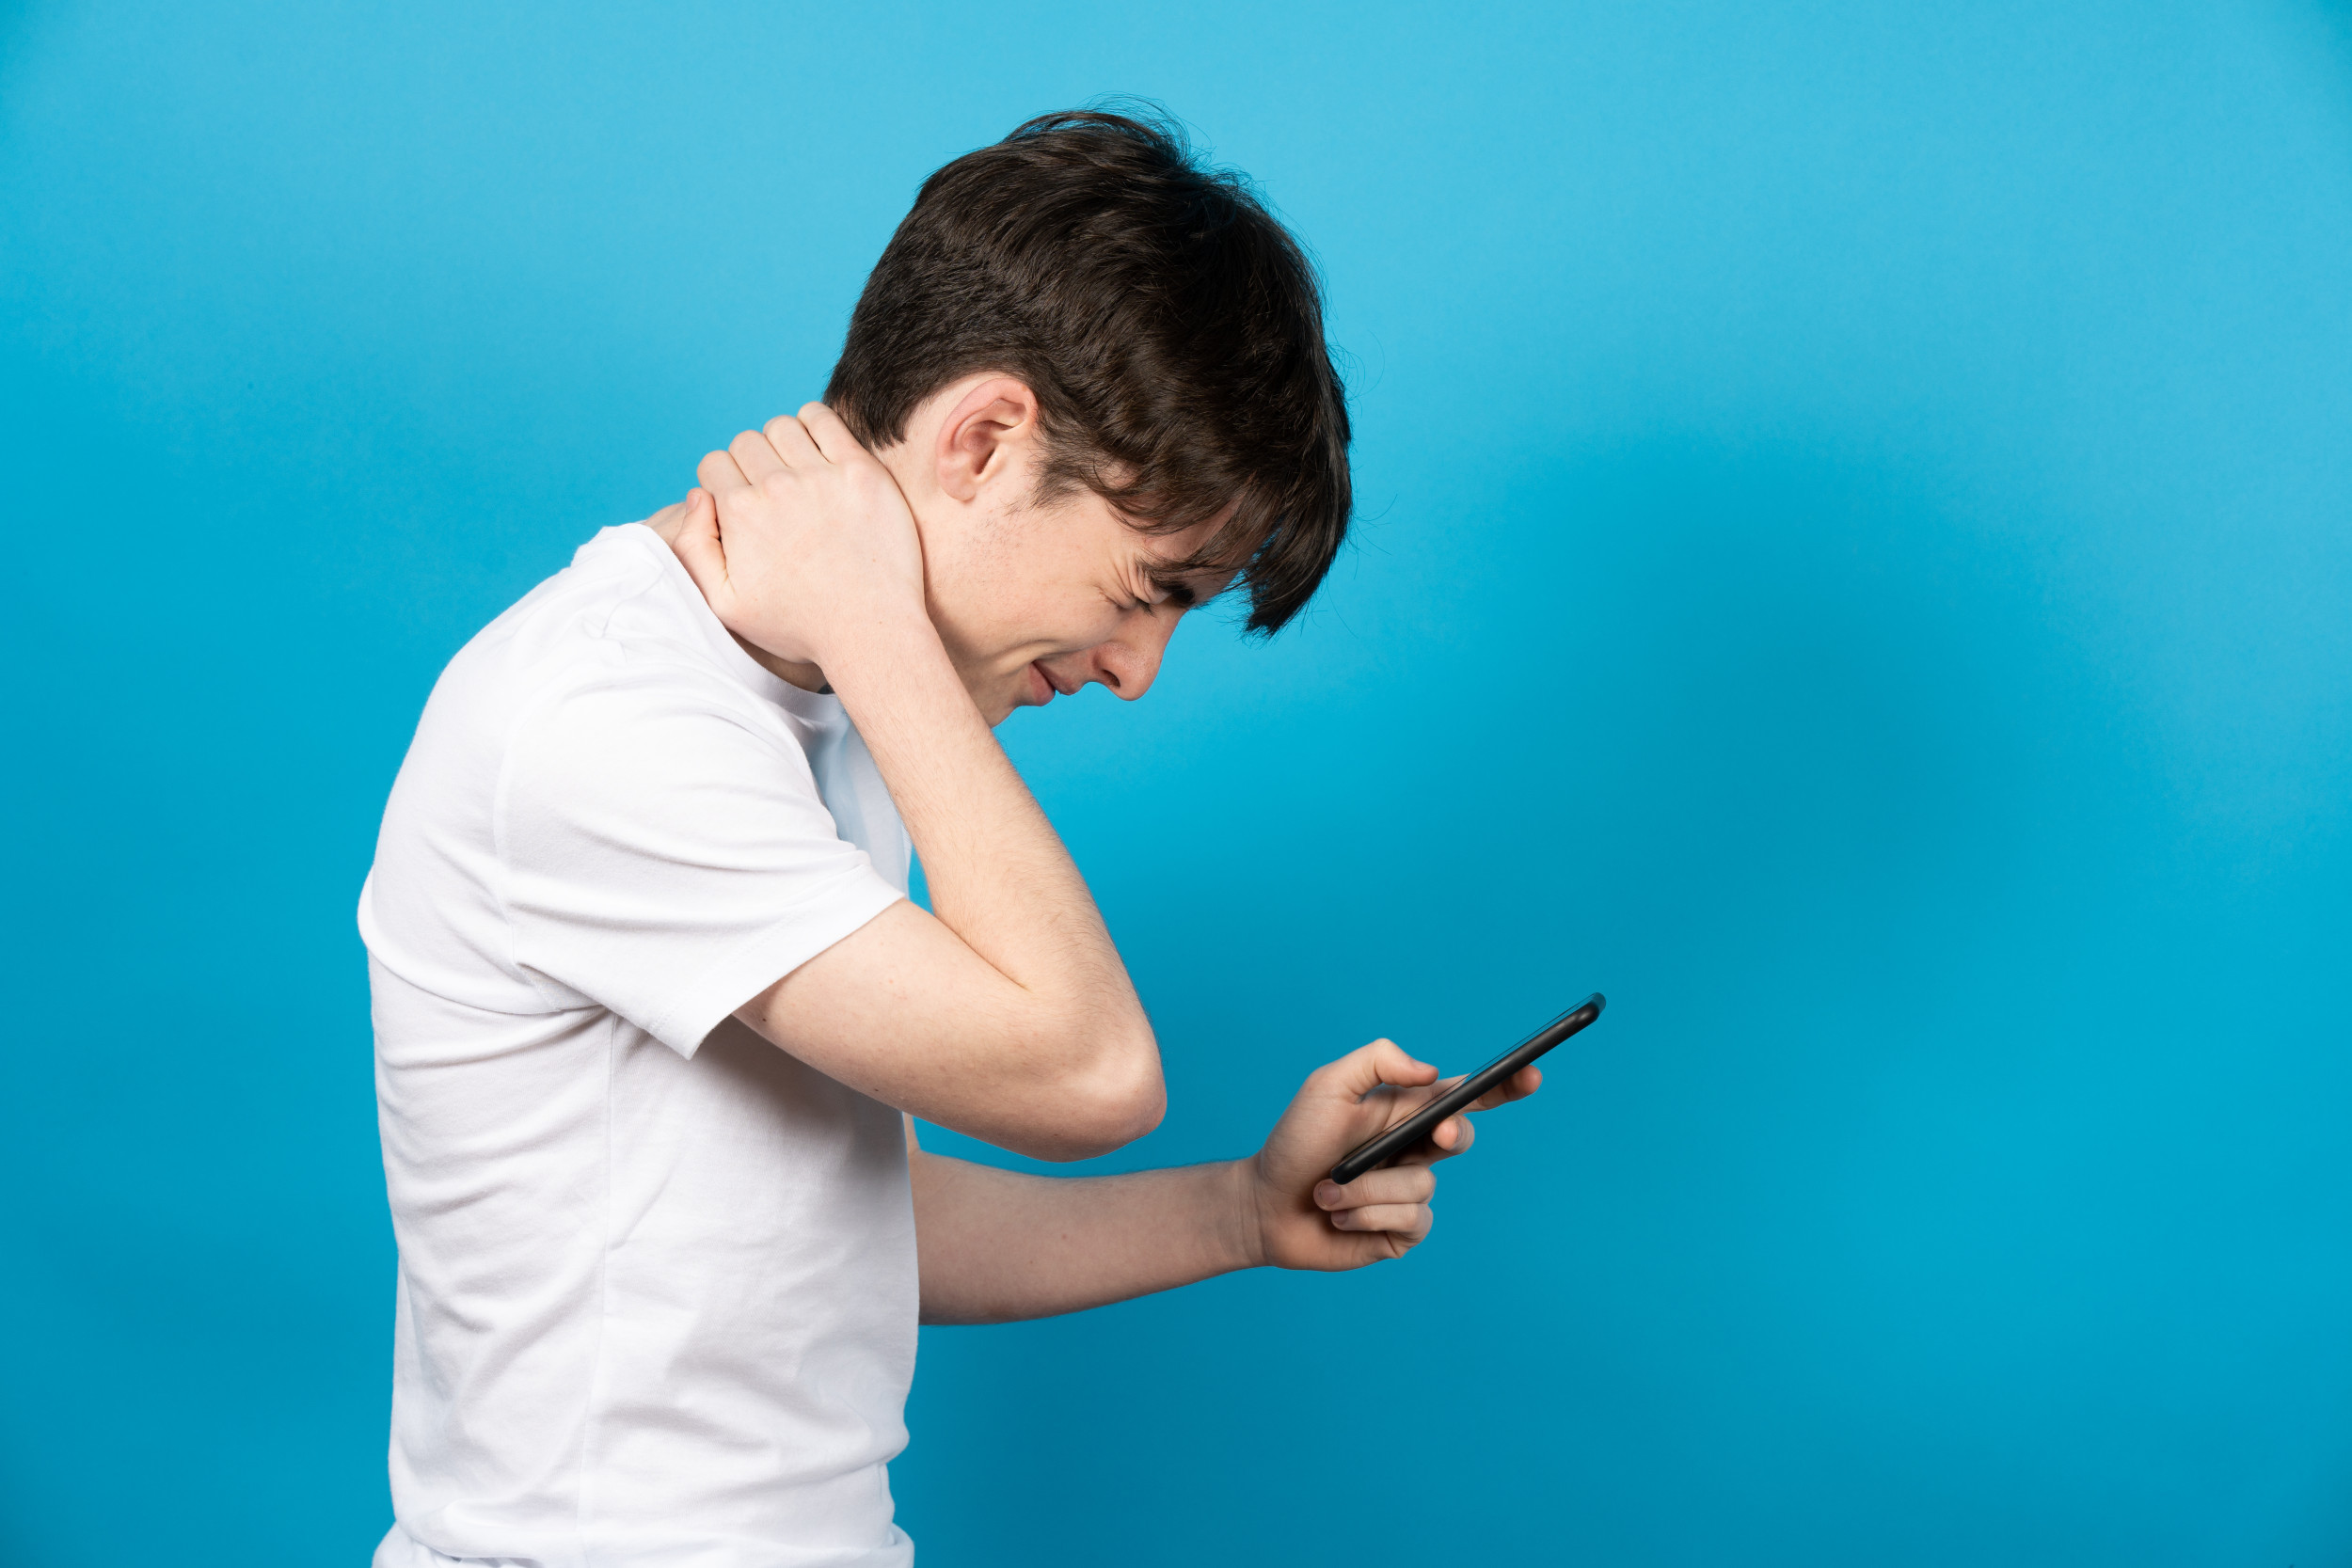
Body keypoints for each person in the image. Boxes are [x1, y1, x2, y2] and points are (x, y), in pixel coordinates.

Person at [359, 109, 1541, 1568]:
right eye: (1146, 590)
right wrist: (876, 632)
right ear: (982, 442)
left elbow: (843, 1218)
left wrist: (1242, 1210)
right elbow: (1089, 1076)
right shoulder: (610, 721)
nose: (1137, 671)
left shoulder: (820, 705)